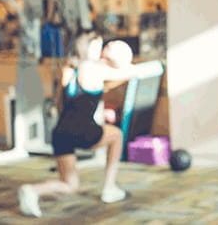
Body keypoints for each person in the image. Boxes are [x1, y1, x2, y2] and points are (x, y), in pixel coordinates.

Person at [18, 31, 141, 217]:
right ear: (90, 47)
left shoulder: (68, 70)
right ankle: (109, 188)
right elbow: (130, 72)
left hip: (61, 132)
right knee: (116, 135)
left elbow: (71, 98)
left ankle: (32, 191)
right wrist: (120, 57)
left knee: (70, 185)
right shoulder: (94, 68)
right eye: (102, 45)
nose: (104, 47)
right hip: (82, 131)